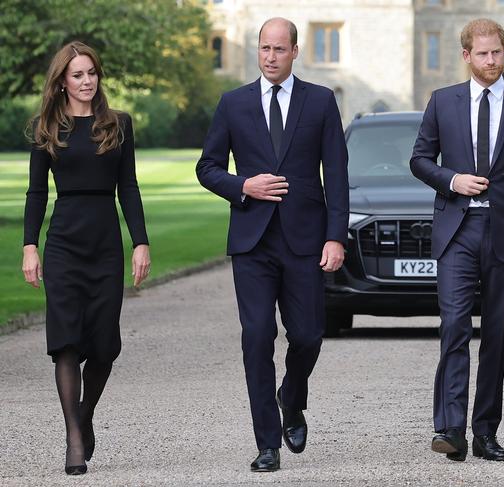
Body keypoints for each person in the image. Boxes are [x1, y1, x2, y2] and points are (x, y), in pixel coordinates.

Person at [196, 18, 348, 472]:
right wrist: (245, 185)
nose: (270, 56)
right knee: (257, 336)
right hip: (252, 242)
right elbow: (207, 168)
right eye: (264, 48)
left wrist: (336, 236)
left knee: (307, 335)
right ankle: (267, 443)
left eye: (280, 49)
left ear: (295, 52)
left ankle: (291, 395)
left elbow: (336, 175)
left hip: (305, 240)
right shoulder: (233, 103)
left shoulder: (320, 101)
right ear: (257, 51)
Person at [410, 18, 504, 462]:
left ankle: (485, 431)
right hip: (458, 230)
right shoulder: (442, 101)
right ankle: (450, 428)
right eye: (483, 53)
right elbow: (419, 159)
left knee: (496, 334)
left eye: (498, 52)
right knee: (454, 326)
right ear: (466, 55)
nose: (491, 60)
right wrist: (452, 180)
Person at [22, 41, 150, 475]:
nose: (86, 81)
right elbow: (37, 191)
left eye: (91, 73)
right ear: (62, 82)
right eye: (77, 75)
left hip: (105, 243)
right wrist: (29, 247)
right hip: (63, 243)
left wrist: (141, 242)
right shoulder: (46, 128)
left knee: (104, 346)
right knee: (66, 341)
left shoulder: (118, 124)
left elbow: (128, 186)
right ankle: (74, 439)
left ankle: (85, 415)